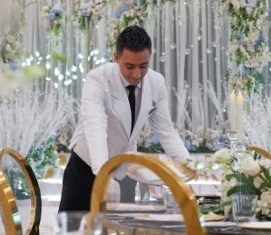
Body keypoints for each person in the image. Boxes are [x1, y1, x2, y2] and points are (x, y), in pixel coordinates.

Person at [58, 25, 190, 212]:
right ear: (116, 57)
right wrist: (104, 175)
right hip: (86, 168)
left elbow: (165, 130)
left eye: (143, 66)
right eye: (129, 66)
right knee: (71, 230)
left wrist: (188, 167)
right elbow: (95, 127)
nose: (137, 74)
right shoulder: (97, 79)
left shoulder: (156, 81)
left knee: (122, 228)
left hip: (124, 170)